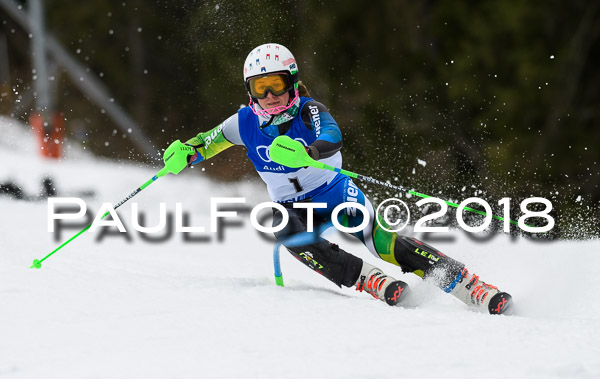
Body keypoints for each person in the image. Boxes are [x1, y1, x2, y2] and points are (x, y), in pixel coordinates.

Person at [165, 43, 512, 315]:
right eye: (260, 87)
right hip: (294, 207)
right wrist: (185, 152)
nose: (270, 96)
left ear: (293, 82)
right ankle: (367, 279)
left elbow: (332, 134)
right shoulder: (242, 123)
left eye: (277, 84)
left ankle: (468, 285)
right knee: (282, 226)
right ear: (249, 90)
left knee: (384, 243)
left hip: (334, 193)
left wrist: (309, 151)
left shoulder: (308, 109)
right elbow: (206, 143)